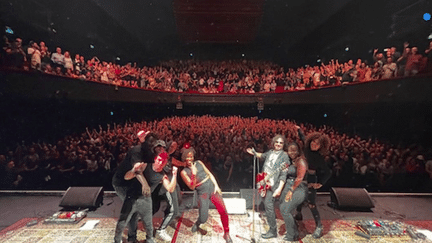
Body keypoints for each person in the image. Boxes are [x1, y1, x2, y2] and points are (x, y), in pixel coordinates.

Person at [112, 130, 157, 243]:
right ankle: (124, 239)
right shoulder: (136, 151)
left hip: (133, 182)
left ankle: (132, 238)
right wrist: (145, 184)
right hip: (122, 183)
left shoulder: (149, 152)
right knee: (132, 210)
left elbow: (144, 168)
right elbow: (137, 170)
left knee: (134, 211)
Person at [180, 148, 233, 243]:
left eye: (191, 156)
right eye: (187, 157)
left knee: (223, 210)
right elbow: (192, 187)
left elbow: (209, 174)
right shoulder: (184, 172)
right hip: (202, 191)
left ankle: (227, 233)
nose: (190, 158)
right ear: (184, 158)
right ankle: (198, 223)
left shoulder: (199, 163)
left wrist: (217, 186)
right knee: (204, 218)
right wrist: (194, 173)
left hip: (211, 186)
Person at [246, 134, 290, 239]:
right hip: (264, 181)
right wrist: (254, 153)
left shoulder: (284, 156)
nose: (278, 144)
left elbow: (284, 174)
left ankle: (273, 230)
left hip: (272, 184)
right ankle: (271, 227)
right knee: (266, 205)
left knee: (268, 206)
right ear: (273, 143)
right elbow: (262, 156)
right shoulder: (270, 152)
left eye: (281, 143)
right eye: (277, 142)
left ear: (283, 145)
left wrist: (279, 188)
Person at [293, 126, 331, 239]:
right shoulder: (306, 146)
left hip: (310, 178)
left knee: (311, 204)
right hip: (301, 176)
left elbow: (328, 172)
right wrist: (299, 129)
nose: (313, 145)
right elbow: (303, 137)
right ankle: (298, 213)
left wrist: (320, 183)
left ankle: (319, 226)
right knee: (298, 197)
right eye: (313, 142)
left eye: (317, 144)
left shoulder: (319, 158)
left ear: (321, 146)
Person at [142, 140, 181, 242]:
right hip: (155, 188)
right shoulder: (148, 162)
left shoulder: (167, 159)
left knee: (174, 209)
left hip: (164, 184)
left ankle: (162, 228)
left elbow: (169, 186)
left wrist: (175, 173)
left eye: (175, 147)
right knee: (155, 207)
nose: (161, 149)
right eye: (159, 148)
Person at [279, 142, 308, 241]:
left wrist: (291, 190)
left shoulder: (301, 161)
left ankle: (291, 235)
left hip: (299, 188)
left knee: (285, 209)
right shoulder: (291, 161)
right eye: (290, 150)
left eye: (294, 150)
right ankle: (294, 231)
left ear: (298, 151)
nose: (292, 152)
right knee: (284, 209)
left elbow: (300, 178)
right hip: (289, 186)